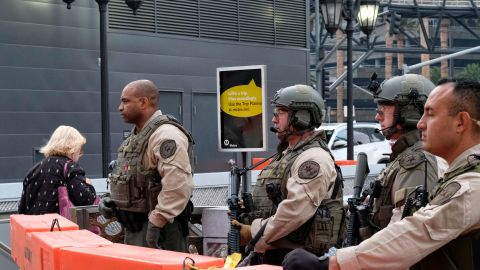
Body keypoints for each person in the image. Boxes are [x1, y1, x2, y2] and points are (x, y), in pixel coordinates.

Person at [283, 79, 480, 270]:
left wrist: (332, 263)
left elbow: (418, 230)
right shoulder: (460, 173)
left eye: (431, 114)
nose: (421, 123)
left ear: (461, 122)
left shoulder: (472, 183)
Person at [232, 85, 345, 265]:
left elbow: (295, 210)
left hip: (299, 260)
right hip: (278, 255)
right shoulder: (290, 154)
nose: (274, 119)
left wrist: (253, 231)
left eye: (281, 112)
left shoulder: (313, 159)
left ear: (301, 118)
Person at [98, 79, 194, 252]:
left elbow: (178, 184)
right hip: (138, 228)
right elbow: (134, 179)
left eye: (126, 101)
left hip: (161, 231)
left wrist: (157, 222)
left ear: (143, 102)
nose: (120, 107)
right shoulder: (137, 137)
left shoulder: (166, 135)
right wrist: (112, 200)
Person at [362, 74, 446, 236]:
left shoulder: (417, 161)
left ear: (409, 112)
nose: (377, 116)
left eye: (383, 109)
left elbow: (406, 232)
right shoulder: (405, 155)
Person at [18, 125, 97, 215]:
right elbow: (85, 201)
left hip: (35, 227)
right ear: (73, 148)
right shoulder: (70, 168)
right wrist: (89, 185)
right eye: (80, 149)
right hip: (59, 226)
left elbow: (22, 209)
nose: (80, 153)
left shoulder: (33, 171)